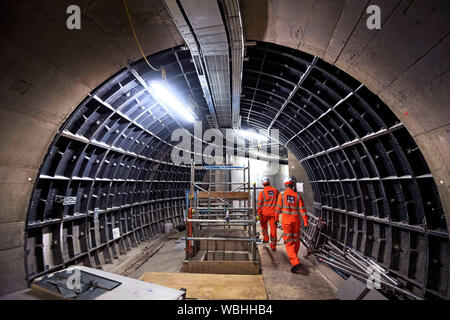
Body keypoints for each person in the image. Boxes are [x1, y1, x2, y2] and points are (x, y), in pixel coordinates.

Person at [275, 176, 309, 274]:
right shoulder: (297, 196)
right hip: (296, 222)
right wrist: (306, 222)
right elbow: (303, 210)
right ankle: (295, 259)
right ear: (292, 184)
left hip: (287, 223)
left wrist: (276, 219)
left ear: (285, 184)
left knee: (289, 242)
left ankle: (295, 262)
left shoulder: (282, 195)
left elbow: (277, 208)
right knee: (296, 241)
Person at [256, 177, 280, 250]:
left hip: (264, 214)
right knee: (273, 229)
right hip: (273, 214)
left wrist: (258, 215)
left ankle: (266, 239)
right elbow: (280, 201)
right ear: (269, 182)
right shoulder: (276, 191)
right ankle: (273, 246)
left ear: (263, 184)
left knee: (264, 227)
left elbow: (259, 205)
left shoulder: (262, 192)